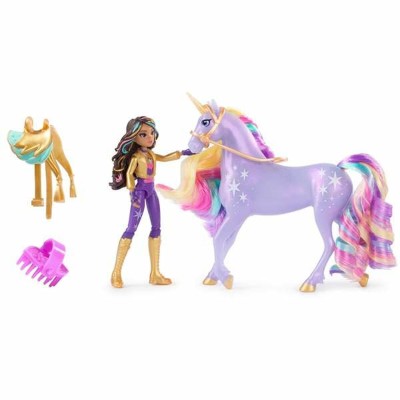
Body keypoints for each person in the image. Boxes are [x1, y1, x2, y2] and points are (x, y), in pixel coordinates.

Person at [110, 116, 192, 288]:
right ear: (133, 137)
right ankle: (116, 273)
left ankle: (155, 273)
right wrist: (132, 193)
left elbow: (165, 157)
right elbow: (129, 175)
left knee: (156, 227)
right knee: (131, 229)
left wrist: (184, 153)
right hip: (139, 192)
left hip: (151, 191)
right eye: (143, 134)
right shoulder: (135, 157)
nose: (150, 137)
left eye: (152, 133)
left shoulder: (151, 154)